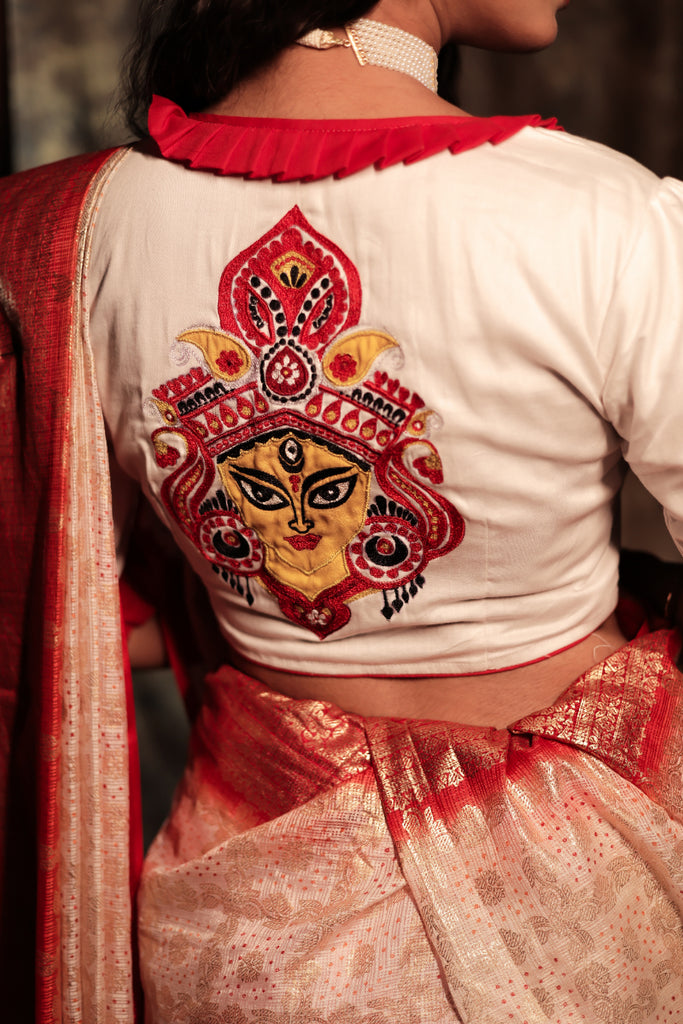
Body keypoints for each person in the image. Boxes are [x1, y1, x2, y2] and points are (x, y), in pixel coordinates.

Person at [3, 0, 683, 1020]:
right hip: (590, 881)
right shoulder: (603, 216)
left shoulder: (77, 232)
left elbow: (61, 618)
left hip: (251, 913)